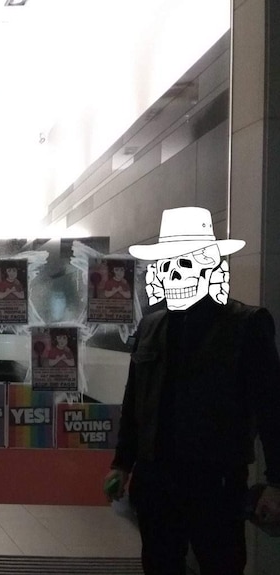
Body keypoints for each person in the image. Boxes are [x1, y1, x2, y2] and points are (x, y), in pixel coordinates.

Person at [104, 207, 280, 575]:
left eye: (186, 264)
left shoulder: (246, 326)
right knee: (160, 565)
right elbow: (136, 402)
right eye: (166, 266)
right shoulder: (151, 327)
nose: (174, 276)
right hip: (155, 484)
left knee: (221, 565)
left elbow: (271, 410)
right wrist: (122, 463)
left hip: (215, 484)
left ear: (211, 267)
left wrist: (277, 483)